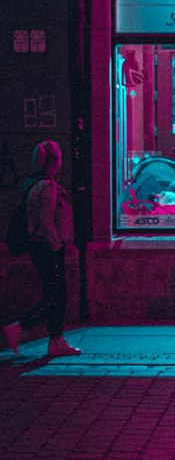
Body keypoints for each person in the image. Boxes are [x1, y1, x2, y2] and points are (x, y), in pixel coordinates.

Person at [2, 140, 80, 358]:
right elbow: (46, 221)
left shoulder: (33, 185)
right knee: (57, 295)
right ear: (53, 162)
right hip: (47, 248)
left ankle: (56, 340)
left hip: (41, 247)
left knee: (54, 292)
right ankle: (19, 327)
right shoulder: (46, 187)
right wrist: (58, 246)